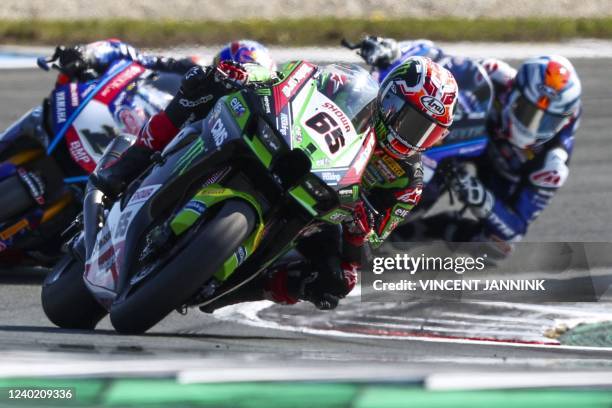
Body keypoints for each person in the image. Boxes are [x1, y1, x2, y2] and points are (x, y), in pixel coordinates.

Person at [90, 55, 458, 310]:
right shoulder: (347, 85)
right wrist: (251, 76)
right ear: (391, 99)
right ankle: (128, 166)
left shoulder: (407, 180)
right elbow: (295, 76)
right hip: (287, 146)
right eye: (412, 122)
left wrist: (361, 227)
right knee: (203, 83)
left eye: (427, 132)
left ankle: (227, 287)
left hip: (326, 208)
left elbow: (373, 240)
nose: (415, 138)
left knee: (337, 281)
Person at [356, 36, 582, 253]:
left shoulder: (552, 165)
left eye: (547, 121)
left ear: (564, 121)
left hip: (498, 181)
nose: (532, 127)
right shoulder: (497, 74)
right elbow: (437, 61)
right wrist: (394, 51)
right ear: (514, 90)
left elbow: (515, 230)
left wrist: (479, 196)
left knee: (496, 246)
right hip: (463, 145)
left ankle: (406, 238)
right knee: (425, 134)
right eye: (527, 111)